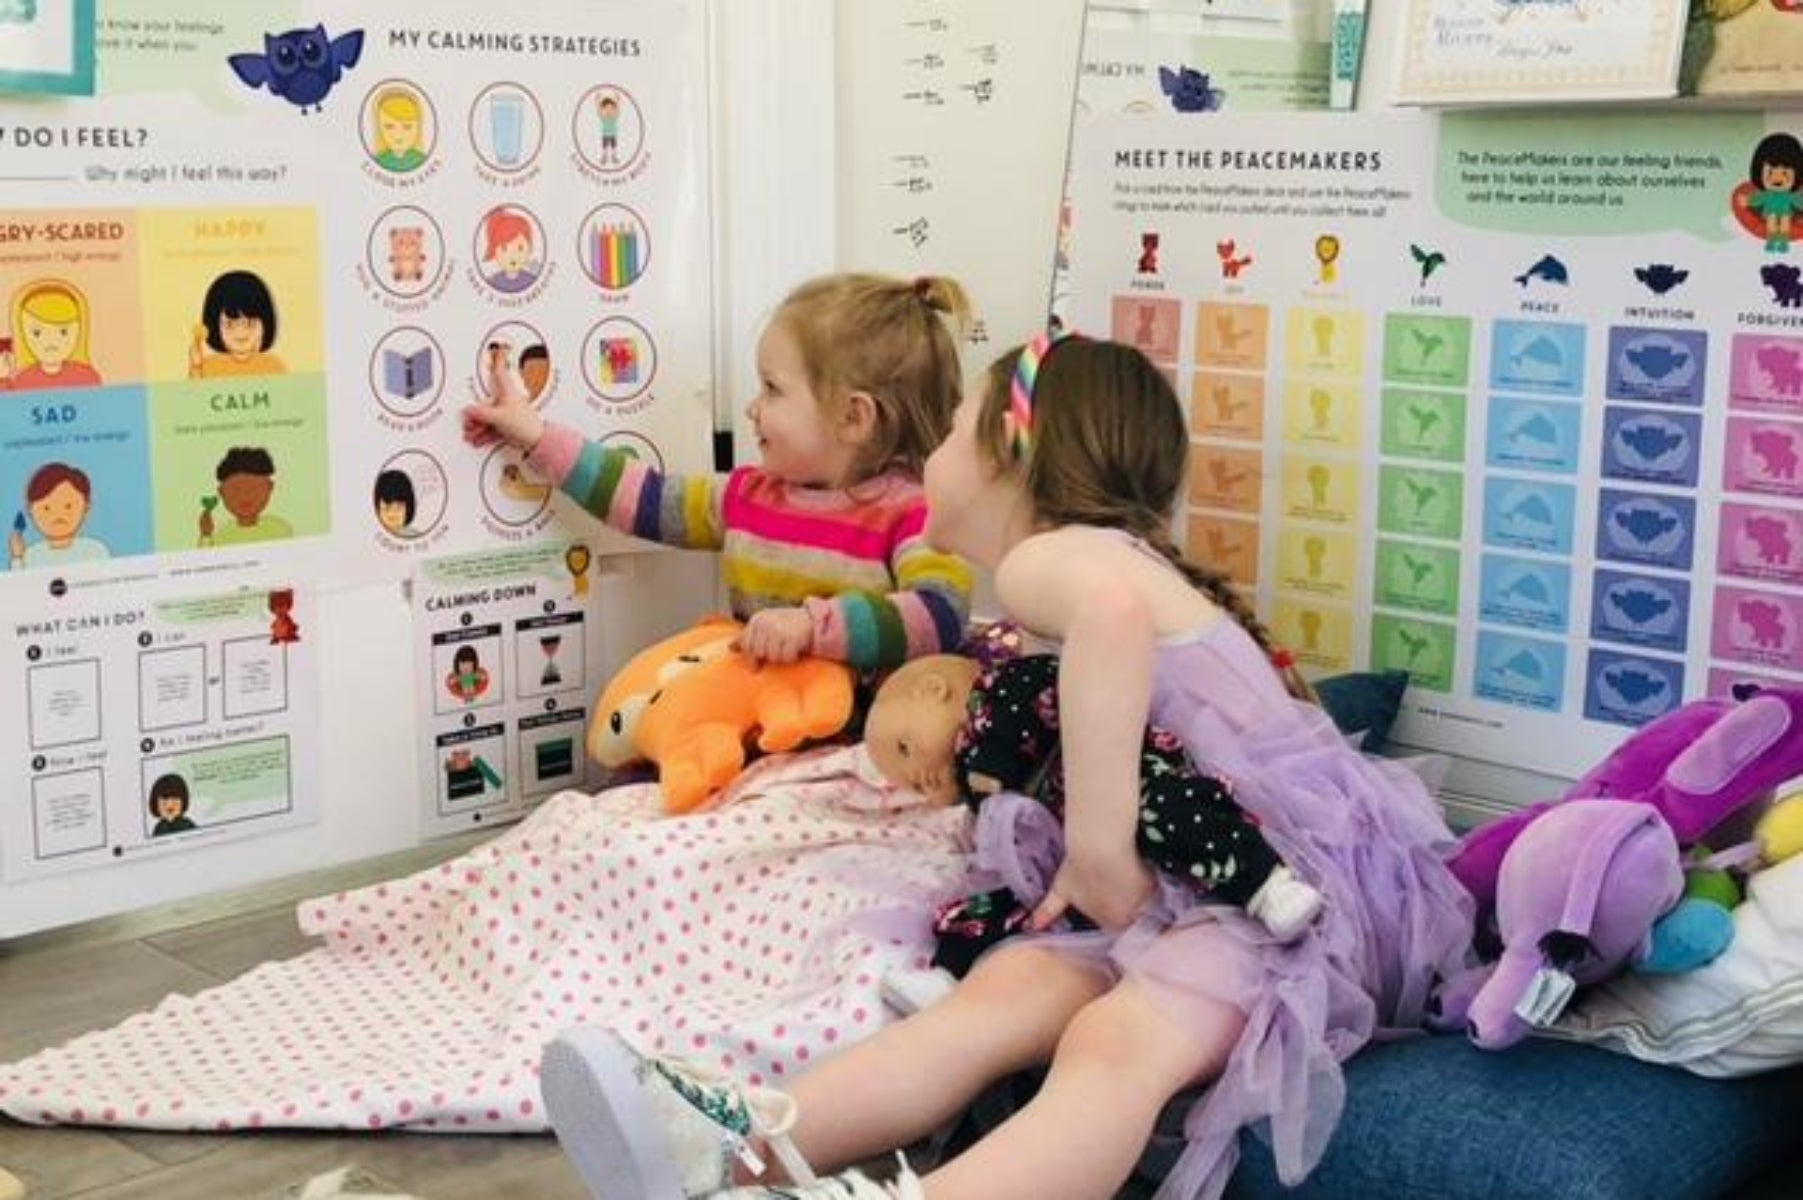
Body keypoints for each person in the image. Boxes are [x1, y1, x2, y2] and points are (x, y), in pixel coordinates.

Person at [537, 335, 1475, 1200]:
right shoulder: (1076, 570)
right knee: (1007, 993)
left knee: (1114, 1044)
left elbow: (1111, 619)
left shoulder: (1053, 561)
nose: (929, 452)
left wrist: (1100, 850)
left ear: (1005, 453)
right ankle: (737, 1156)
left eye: (948, 429)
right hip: (1193, 886)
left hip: (1278, 898)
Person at [462, 272, 976, 673]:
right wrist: (534, 435)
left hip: (864, 757)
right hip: (755, 734)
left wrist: (810, 627)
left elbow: (941, 615)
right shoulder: (748, 497)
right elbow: (641, 498)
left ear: (853, 417)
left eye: (772, 389)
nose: (754, 408)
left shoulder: (917, 515)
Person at [862, 652, 1323, 987]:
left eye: (906, 749)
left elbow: (1015, 739)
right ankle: (946, 977)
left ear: (934, 690)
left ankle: (1266, 884)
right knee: (987, 906)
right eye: (913, 785)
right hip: (1079, 856)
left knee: (1175, 807)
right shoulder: (976, 785)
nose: (919, 777)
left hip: (1127, 783)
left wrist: (973, 782)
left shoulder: (1009, 687)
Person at [1, 279, 103, 391]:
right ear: (22, 335)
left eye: (63, 332)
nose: (51, 340)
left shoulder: (87, 377)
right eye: (37, 333)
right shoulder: (22, 379)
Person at [10, 462, 110, 568]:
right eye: (46, 508)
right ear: (30, 511)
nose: (58, 515)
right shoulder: (30, 555)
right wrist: (17, 557)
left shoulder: (95, 551)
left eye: (68, 506)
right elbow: (21, 582)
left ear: (86, 508)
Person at [189, 271, 286, 379]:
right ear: (215, 327)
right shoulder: (207, 367)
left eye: (250, 324)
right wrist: (196, 367)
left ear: (265, 326)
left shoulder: (274, 367)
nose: (241, 336)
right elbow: (195, 394)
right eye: (229, 325)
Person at [200, 447, 293, 546]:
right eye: (236, 490)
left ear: (269, 487)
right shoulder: (220, 537)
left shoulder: (281, 530)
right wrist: (206, 535)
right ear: (221, 492)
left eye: (254, 489)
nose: (245, 496)